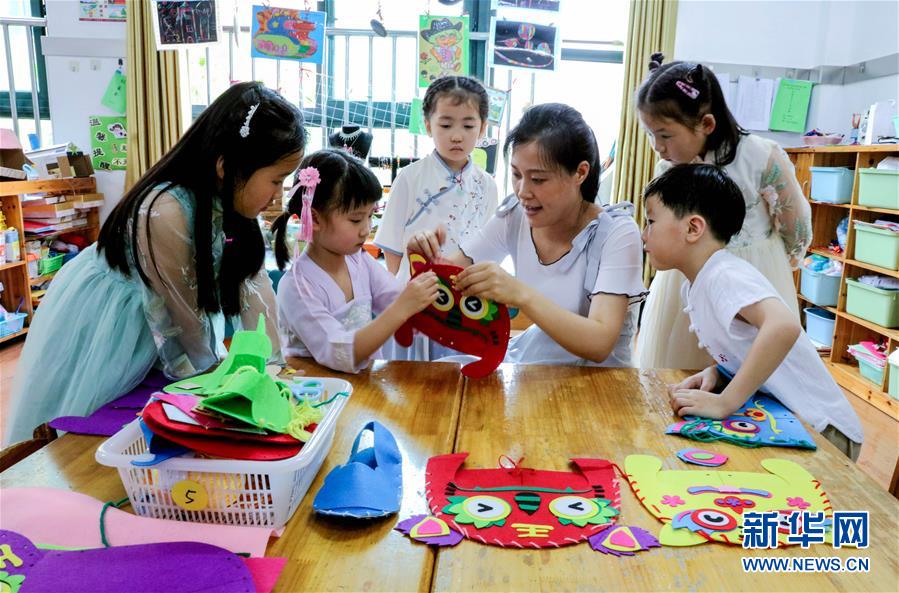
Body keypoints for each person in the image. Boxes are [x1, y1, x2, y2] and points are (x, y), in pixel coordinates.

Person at [2, 82, 304, 447]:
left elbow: (256, 291)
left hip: (163, 318)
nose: (278, 195)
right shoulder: (166, 209)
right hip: (110, 320)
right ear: (227, 166)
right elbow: (188, 326)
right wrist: (232, 391)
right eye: (276, 180)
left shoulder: (235, 205)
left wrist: (273, 370)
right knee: (88, 437)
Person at [642, 163, 862, 459]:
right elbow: (743, 344)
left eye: (651, 222)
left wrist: (725, 402)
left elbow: (783, 326)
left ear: (693, 228)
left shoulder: (724, 275)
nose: (644, 235)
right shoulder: (697, 284)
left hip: (823, 430)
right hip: (784, 417)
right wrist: (719, 373)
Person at [407, 103, 646, 366]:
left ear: (580, 173)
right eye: (516, 174)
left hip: (601, 381)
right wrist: (426, 261)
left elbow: (599, 343)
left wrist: (519, 293)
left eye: (538, 179)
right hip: (536, 365)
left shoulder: (616, 233)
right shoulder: (515, 215)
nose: (522, 191)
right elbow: (449, 278)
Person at [635, 53, 811, 370]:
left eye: (665, 135)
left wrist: (780, 263)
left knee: (750, 369)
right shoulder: (669, 166)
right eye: (650, 135)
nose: (658, 147)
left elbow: (795, 224)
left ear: (706, 124)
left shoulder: (759, 155)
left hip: (753, 271)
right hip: (685, 278)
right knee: (681, 366)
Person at [272, 150, 439, 373]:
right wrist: (402, 307)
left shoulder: (359, 260)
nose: (366, 229)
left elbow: (400, 301)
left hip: (363, 386)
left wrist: (424, 266)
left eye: (371, 216)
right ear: (314, 218)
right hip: (320, 391)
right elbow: (338, 353)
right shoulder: (297, 286)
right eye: (356, 219)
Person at [374, 75, 497, 281]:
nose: (457, 136)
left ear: (483, 128)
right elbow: (391, 245)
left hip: (465, 289)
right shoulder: (409, 177)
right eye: (446, 125)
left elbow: (487, 246)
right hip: (415, 287)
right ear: (428, 126)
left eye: (468, 126)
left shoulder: (487, 185)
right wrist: (397, 290)